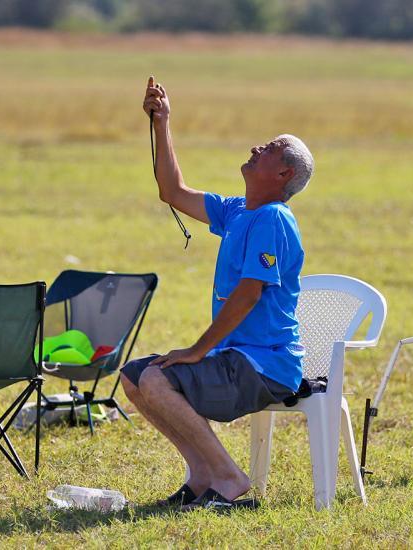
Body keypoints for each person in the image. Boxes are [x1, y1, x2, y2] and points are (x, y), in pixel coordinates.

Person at [120, 78, 314, 511]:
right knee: (135, 376)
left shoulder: (274, 219)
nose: (255, 148)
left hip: (265, 366)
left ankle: (230, 478)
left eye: (268, 149)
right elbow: (171, 192)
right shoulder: (238, 211)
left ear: (283, 174)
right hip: (237, 359)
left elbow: (248, 295)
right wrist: (161, 122)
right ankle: (203, 476)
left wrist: (197, 350)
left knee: (156, 377)